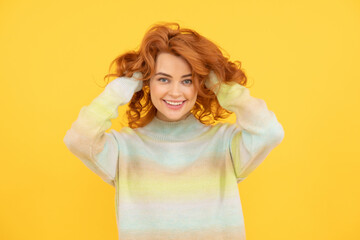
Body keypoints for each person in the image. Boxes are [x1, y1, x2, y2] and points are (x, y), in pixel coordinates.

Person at [63, 22, 285, 240]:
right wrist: (124, 86)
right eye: (163, 79)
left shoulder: (223, 144)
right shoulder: (125, 149)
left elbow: (270, 132)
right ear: (147, 81)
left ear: (201, 84)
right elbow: (78, 139)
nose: (176, 92)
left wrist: (222, 86)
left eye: (187, 80)